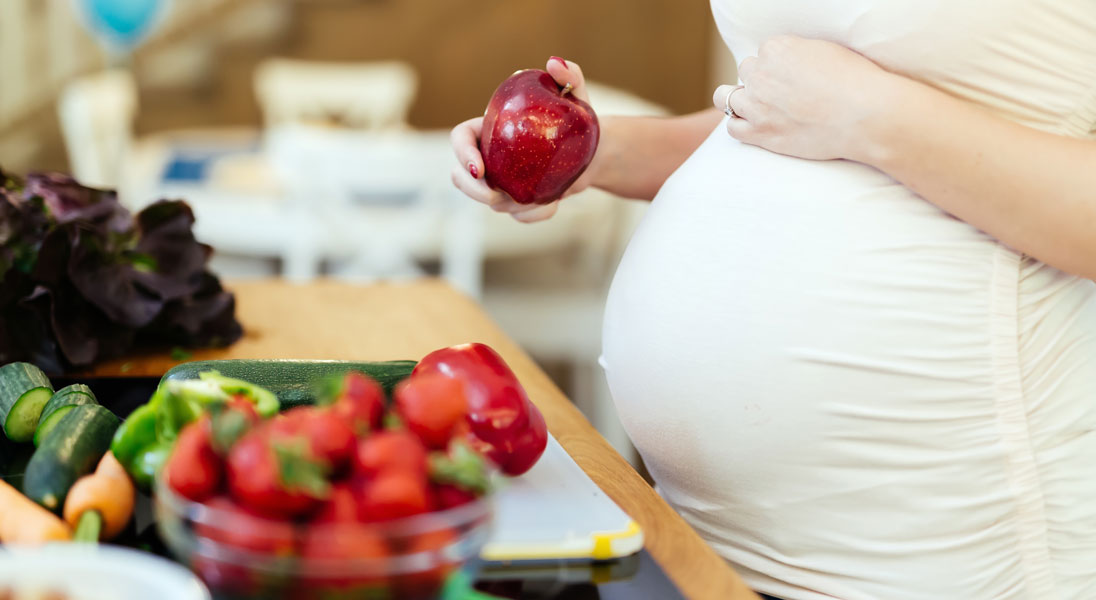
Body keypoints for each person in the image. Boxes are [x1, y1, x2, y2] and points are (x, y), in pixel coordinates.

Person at [450, 4, 1096, 599]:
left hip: (945, 558)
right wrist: (592, 149)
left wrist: (875, 116)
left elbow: (850, 109)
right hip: (704, 551)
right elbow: (784, 113)